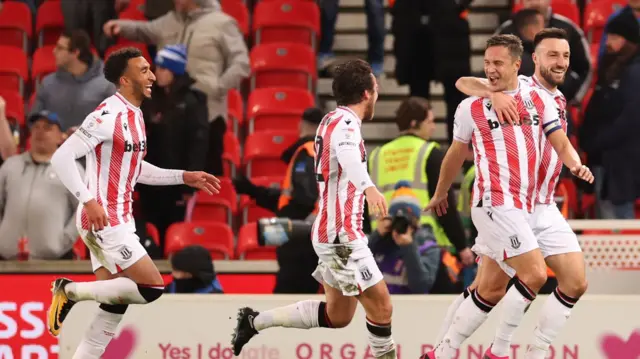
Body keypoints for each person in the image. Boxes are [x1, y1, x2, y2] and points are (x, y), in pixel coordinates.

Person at [422, 34, 593, 359]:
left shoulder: (548, 100)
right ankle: (489, 352)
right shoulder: (518, 87)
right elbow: (464, 82)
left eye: (566, 55)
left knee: (564, 282)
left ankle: (526, 352)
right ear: (533, 60)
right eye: (552, 55)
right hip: (500, 202)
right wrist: (493, 93)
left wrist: (576, 165)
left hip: (540, 204)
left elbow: (560, 142)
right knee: (521, 279)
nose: (560, 62)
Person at [46, 47, 221, 359]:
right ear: (125, 80)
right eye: (143, 71)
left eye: (150, 69)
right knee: (152, 287)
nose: (152, 75)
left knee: (114, 305)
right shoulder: (106, 116)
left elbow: (135, 169)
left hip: (119, 217)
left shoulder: (135, 115)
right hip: (103, 216)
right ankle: (69, 291)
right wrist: (88, 201)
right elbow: (61, 158)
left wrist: (184, 176)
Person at [231, 59, 396, 359]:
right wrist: (369, 187)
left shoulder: (329, 120)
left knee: (339, 316)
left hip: (329, 233)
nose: (378, 93)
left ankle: (254, 321)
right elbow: (348, 157)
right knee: (382, 307)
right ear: (366, 94)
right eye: (376, 88)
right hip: (341, 237)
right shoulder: (346, 124)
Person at [103, 0, 250, 176]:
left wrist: (217, 87)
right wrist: (121, 26)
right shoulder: (170, 20)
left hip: (208, 113)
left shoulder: (222, 23)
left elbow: (241, 63)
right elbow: (144, 30)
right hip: (170, 115)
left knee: (202, 174)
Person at [368, 97, 473, 267]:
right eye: (429, 122)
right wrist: (461, 245)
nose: (433, 127)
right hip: (423, 243)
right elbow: (444, 205)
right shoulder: (430, 153)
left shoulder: (376, 155)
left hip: (381, 243)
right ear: (414, 123)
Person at [233, 107, 323, 294]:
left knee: (290, 301)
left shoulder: (308, 152)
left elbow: (304, 199)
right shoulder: (318, 153)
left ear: (302, 125)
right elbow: (288, 199)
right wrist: (254, 191)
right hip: (306, 242)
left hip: (300, 243)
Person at [139, 44, 210, 249]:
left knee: (175, 229)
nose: (156, 73)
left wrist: (191, 181)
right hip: (150, 179)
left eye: (162, 69)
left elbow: (198, 142)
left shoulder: (193, 101)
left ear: (174, 71)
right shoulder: (149, 98)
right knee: (150, 228)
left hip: (179, 180)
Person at [581, 12, 640, 219]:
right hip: (604, 158)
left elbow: (630, 119)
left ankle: (630, 253)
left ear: (628, 40)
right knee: (606, 210)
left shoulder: (634, 72)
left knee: (618, 214)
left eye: (615, 38)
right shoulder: (612, 67)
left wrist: (598, 140)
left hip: (620, 160)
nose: (608, 42)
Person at [0, 111, 82, 260]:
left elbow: (84, 209)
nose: (40, 132)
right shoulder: (10, 165)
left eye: (47, 128)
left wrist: (63, 241)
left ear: (60, 136)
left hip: (52, 261)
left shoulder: (71, 168)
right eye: (36, 127)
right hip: (6, 259)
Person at [368, 182, 462, 294]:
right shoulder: (381, 242)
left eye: (407, 221)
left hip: (412, 308)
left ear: (416, 222)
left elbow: (421, 286)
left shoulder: (428, 247)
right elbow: (355, 269)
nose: (402, 225)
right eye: (397, 219)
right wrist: (377, 235)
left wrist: (408, 247)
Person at [495, 0, 592, 105]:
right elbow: (492, 67)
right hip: (515, 106)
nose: (535, 2)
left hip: (559, 105)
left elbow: (584, 69)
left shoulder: (568, 29)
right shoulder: (506, 30)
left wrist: (573, 101)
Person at [31, 30, 116, 132]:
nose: (54, 51)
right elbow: (34, 120)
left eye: (60, 48)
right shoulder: (47, 83)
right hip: (55, 145)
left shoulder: (107, 84)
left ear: (76, 52)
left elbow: (113, 122)